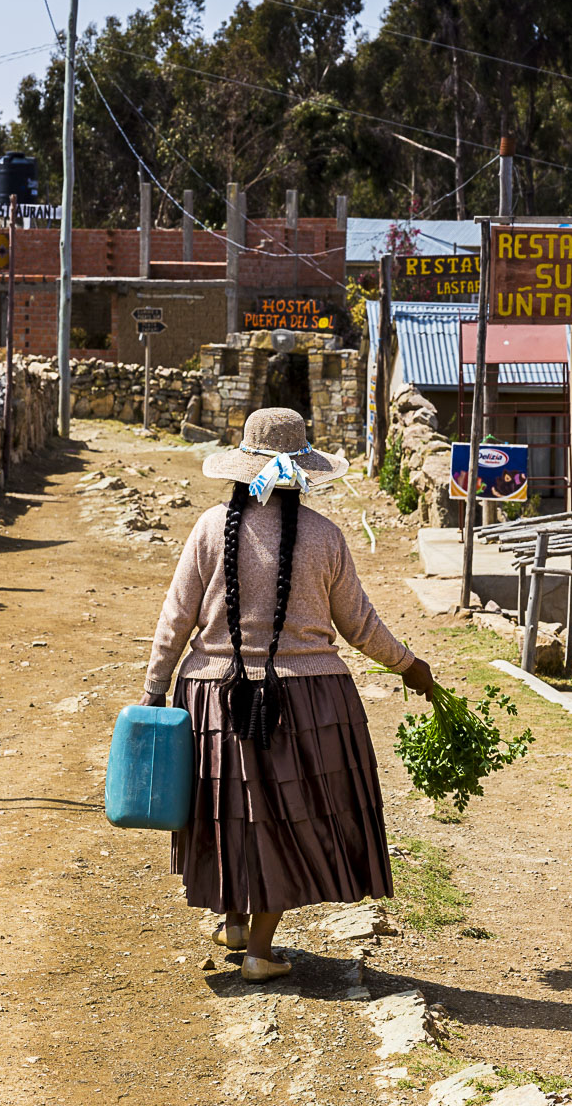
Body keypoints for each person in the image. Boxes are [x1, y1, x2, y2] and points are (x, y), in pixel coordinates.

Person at [140, 408, 435, 984]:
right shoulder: (324, 536)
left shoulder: (210, 527)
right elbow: (359, 624)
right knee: (284, 819)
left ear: (242, 466)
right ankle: (258, 950)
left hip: (212, 697)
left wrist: (154, 688)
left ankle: (234, 924)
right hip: (307, 703)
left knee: (229, 810)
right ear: (303, 474)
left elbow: (175, 618)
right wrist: (408, 664)